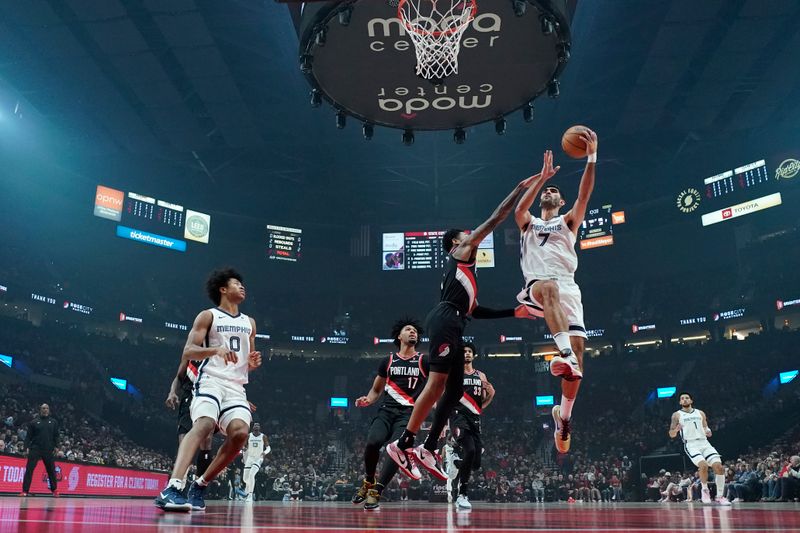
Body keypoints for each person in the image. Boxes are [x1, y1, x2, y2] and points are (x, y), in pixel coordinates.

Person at [387, 173, 541, 480]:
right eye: (467, 235)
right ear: (457, 243)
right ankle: (403, 444)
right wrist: (519, 188)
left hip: (455, 320)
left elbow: (476, 310)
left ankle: (428, 448)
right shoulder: (460, 252)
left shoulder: (464, 277)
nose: (473, 236)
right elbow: (497, 217)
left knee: (454, 389)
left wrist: (515, 312)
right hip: (445, 319)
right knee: (436, 385)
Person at [513, 134, 598, 454]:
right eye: (547, 191)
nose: (550, 192)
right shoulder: (528, 223)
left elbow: (585, 194)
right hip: (536, 285)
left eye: (554, 190)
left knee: (580, 362)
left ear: (561, 202)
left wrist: (591, 158)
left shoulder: (568, 221)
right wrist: (542, 177)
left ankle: (563, 417)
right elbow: (519, 206)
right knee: (547, 290)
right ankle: (563, 354)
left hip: (569, 287)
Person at [155, 268, 262, 512]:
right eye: (237, 283)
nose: (242, 287)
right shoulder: (208, 316)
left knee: (240, 433)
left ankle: (200, 485)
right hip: (210, 380)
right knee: (203, 424)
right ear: (223, 289)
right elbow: (188, 351)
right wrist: (215, 350)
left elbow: (248, 361)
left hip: (236, 387)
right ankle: (173, 487)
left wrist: (253, 363)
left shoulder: (250, 323)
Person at [352, 318, 428, 511]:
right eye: (408, 329)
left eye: (415, 331)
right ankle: (369, 480)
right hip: (386, 411)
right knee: (372, 443)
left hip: (409, 415)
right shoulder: (388, 360)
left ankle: (377, 490)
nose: (413, 332)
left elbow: (434, 388)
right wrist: (368, 399)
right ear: (399, 336)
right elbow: (376, 390)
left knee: (396, 451)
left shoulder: (423, 360)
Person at [447, 342, 494, 510]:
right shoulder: (454, 374)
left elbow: (481, 405)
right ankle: (462, 494)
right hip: (458, 417)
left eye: (469, 351)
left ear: (473, 355)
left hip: (474, 418)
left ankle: (456, 462)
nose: (466, 353)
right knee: (471, 450)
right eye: (463, 351)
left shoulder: (481, 375)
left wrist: (491, 395)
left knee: (475, 464)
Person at [668, 392, 731, 505]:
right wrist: (676, 430)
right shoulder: (676, 415)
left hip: (704, 442)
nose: (685, 400)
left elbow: (706, 428)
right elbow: (671, 434)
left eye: (687, 398)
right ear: (680, 402)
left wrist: (708, 431)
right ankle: (705, 490)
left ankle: (720, 496)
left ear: (691, 401)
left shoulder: (700, 413)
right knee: (703, 465)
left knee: (719, 467)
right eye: (682, 398)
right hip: (691, 444)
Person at [165, 356, 213, 492]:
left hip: (207, 397)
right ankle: (178, 485)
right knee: (184, 440)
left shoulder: (216, 354)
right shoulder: (191, 353)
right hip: (188, 397)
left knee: (206, 441)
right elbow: (178, 377)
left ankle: (198, 488)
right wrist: (172, 392)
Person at [20, 404, 59, 496]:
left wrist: (57, 446)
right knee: (29, 469)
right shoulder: (34, 422)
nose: (45, 410)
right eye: (43, 408)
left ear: (49, 410)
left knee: (51, 470)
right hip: (35, 448)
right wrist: (26, 448)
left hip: (48, 449)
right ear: (40, 410)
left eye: (47, 408)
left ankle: (55, 490)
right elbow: (28, 437)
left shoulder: (53, 422)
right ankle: (25, 491)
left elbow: (56, 436)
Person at [242, 422, 271, 502]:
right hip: (249, 458)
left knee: (251, 475)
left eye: (258, 425)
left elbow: (268, 448)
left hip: (258, 459)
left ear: (260, 427)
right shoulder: (248, 436)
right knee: (245, 479)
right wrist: (244, 449)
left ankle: (250, 495)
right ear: (253, 427)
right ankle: (248, 486)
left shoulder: (263, 436)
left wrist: (264, 452)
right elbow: (244, 446)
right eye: (255, 425)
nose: (256, 426)